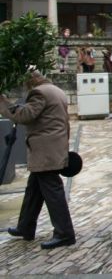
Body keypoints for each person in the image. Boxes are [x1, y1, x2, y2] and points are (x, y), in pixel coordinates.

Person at [0, 71, 76, 249]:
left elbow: (25, 116)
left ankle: (65, 233)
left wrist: (3, 103)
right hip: (53, 147)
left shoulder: (39, 93)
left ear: (30, 82)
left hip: (45, 150)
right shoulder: (55, 90)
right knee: (34, 189)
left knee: (52, 191)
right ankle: (25, 226)